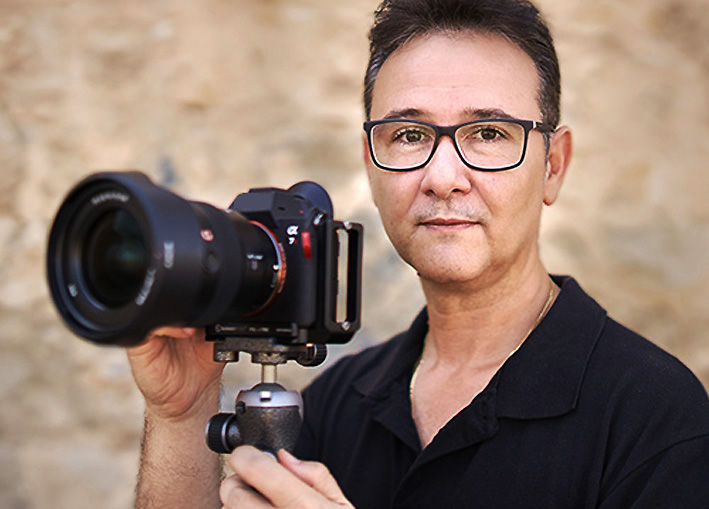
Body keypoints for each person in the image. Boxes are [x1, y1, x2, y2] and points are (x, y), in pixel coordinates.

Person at [128, 0, 709, 507]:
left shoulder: (656, 415)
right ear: (370, 162)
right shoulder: (336, 401)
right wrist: (182, 414)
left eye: (489, 134)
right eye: (409, 136)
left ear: (553, 166)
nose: (444, 176)